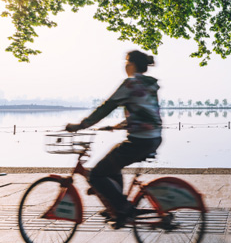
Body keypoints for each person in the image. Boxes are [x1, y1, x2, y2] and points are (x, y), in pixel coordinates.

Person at [66, 50, 162, 228]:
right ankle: (116, 205)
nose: (124, 66)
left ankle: (123, 209)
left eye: (126, 62)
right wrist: (118, 126)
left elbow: (106, 107)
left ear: (131, 65)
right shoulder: (149, 85)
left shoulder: (131, 83)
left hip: (139, 140)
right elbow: (145, 113)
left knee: (95, 175)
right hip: (153, 138)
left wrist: (81, 125)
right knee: (112, 164)